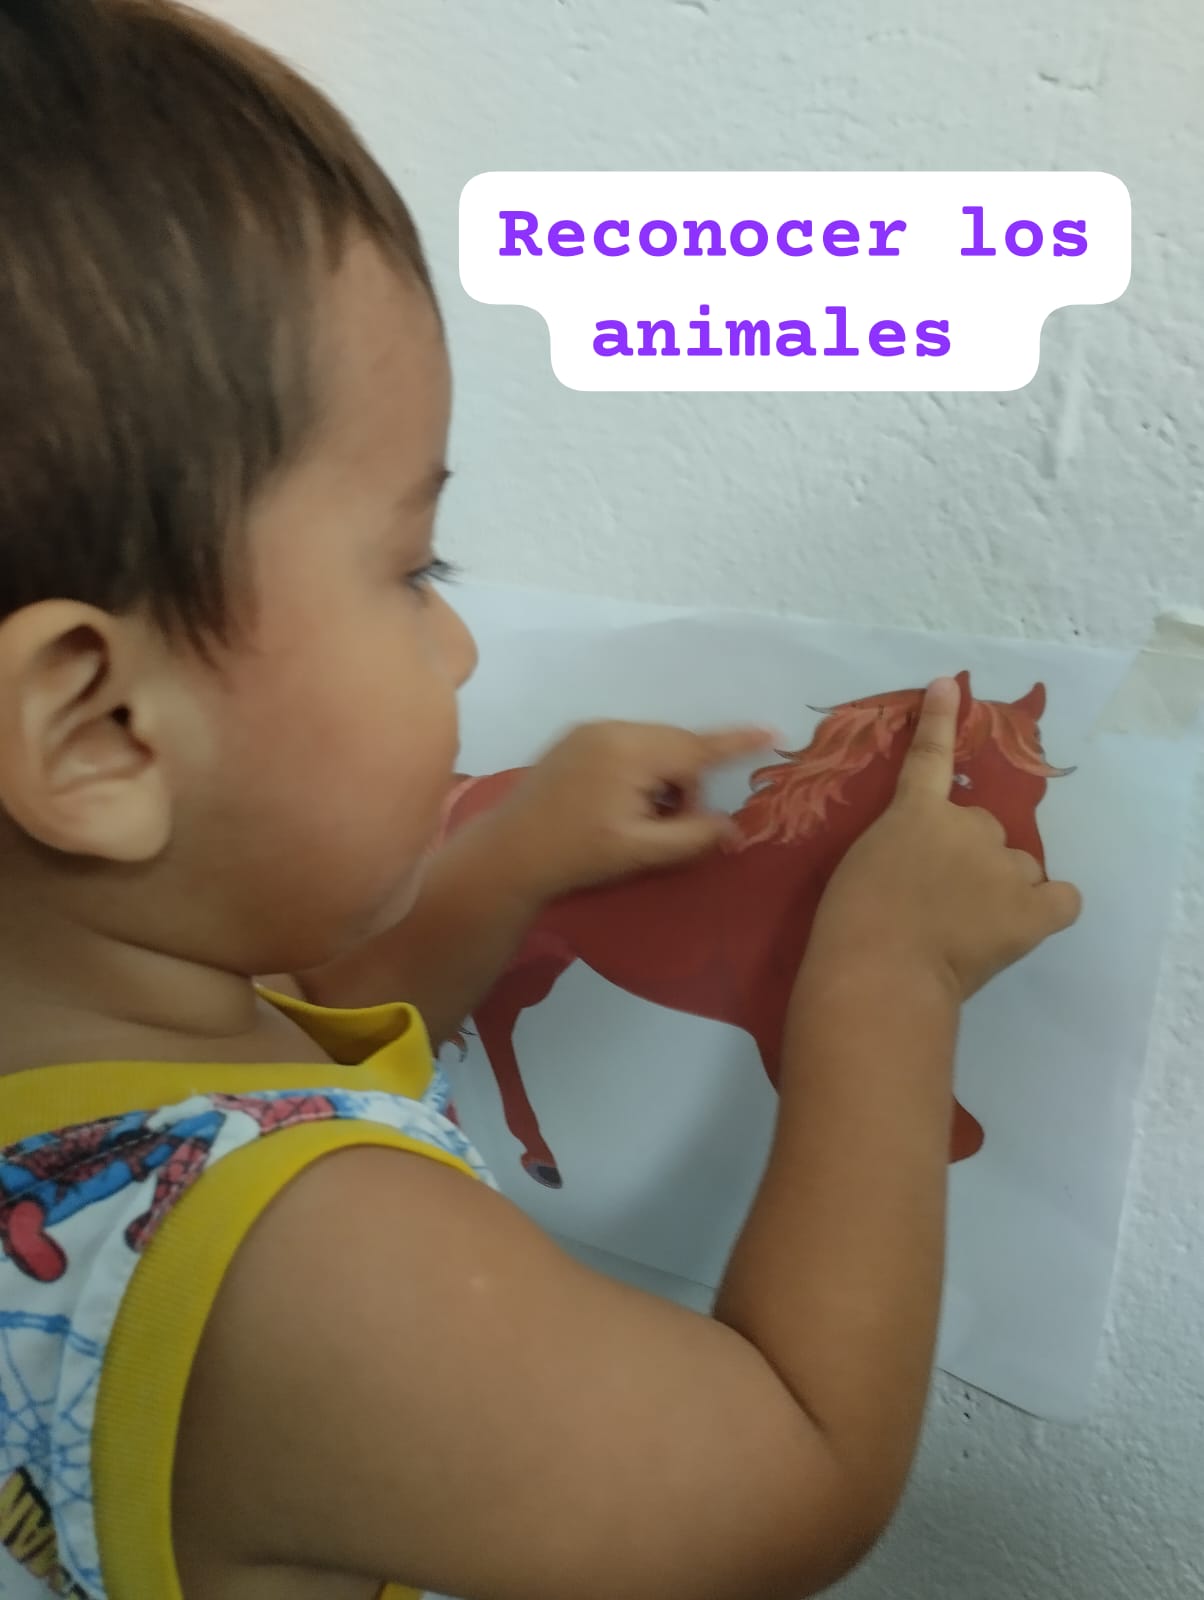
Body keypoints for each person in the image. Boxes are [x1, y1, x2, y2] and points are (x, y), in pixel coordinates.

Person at [0, 3, 1082, 1598]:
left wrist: (499, 870)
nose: (456, 642)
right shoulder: (310, 1270)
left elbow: (280, 1051)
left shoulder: (93, 1050)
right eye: (411, 568)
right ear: (97, 732)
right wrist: (887, 983)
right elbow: (795, 1470)